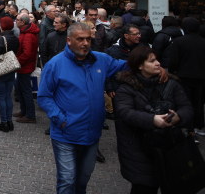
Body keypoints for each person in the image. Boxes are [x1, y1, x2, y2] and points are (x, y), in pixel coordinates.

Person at [38, 23, 141, 194]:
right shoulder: (55, 64)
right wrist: (61, 120)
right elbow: (44, 97)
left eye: (88, 39)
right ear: (69, 40)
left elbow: (126, 66)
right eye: (80, 39)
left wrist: (152, 64)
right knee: (67, 180)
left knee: (83, 178)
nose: (85, 43)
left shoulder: (101, 60)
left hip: (92, 134)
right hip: (65, 134)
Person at [113, 46, 193, 194]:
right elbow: (124, 113)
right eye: (152, 61)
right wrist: (152, 120)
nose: (157, 63)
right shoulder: (126, 89)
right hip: (140, 150)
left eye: (157, 60)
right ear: (140, 65)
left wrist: (178, 117)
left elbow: (187, 107)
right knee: (145, 187)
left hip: (172, 147)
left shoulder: (171, 84)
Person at [165, 17, 205, 139]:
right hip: (200, 77)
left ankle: (190, 128)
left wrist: (172, 73)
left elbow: (173, 62)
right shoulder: (203, 41)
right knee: (198, 101)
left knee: (185, 102)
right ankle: (198, 125)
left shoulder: (179, 41)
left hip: (182, 76)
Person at [0, 17, 20, 132]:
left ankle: (4, 123)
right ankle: (10, 122)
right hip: (11, 69)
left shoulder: (2, 39)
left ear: (3, 26)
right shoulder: (15, 38)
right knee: (8, 96)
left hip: (1, 70)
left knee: (1, 97)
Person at [13, 14, 39, 124]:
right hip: (23, 66)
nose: (15, 21)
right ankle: (24, 111)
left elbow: (27, 53)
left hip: (25, 67)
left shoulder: (28, 35)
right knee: (20, 89)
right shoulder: (25, 32)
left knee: (26, 91)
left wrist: (17, 62)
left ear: (23, 22)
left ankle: (30, 115)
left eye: (17, 20)